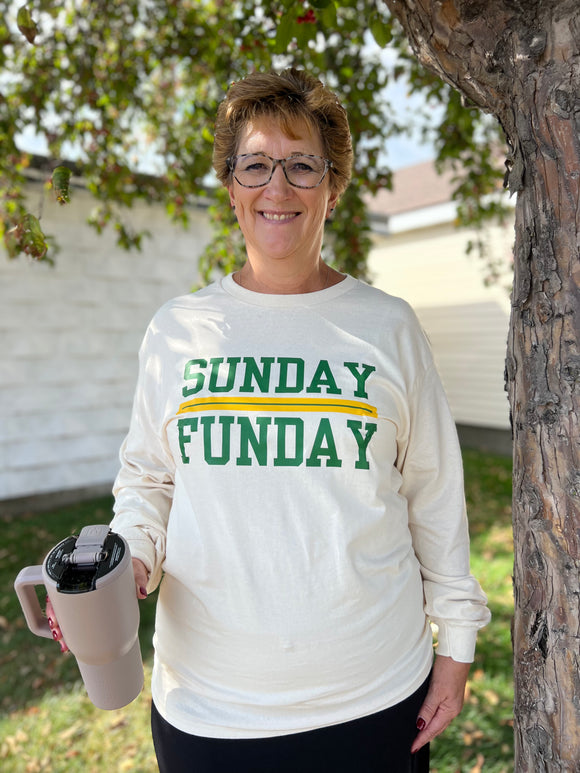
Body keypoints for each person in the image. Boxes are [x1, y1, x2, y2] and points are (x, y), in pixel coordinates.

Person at [48, 68, 490, 772]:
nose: (276, 187)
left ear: (333, 187)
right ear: (231, 185)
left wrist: (456, 648)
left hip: (372, 697)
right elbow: (148, 480)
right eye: (254, 164)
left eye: (301, 165)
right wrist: (130, 557)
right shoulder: (177, 330)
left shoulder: (388, 328)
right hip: (209, 708)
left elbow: (434, 499)